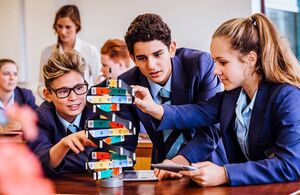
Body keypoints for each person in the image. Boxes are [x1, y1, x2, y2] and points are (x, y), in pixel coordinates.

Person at [132, 13, 300, 186]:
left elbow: (290, 165)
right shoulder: (233, 95)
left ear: (250, 59)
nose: (215, 71)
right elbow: (197, 112)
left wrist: (225, 174)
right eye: (214, 62)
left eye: (223, 62)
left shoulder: (288, 97)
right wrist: (153, 108)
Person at [117, 13, 225, 164]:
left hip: (207, 165)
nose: (151, 65)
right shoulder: (126, 83)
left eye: (157, 54)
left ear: (172, 49)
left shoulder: (200, 65)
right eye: (142, 58)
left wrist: (178, 163)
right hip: (162, 169)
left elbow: (211, 128)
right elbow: (124, 142)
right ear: (132, 58)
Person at [30, 51, 96, 177]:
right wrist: (63, 144)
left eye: (79, 88)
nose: (73, 97)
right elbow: (38, 163)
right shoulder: (41, 117)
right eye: (63, 91)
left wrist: (57, 161)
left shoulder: (97, 110)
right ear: (48, 95)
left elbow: (106, 156)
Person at [38, 4, 101, 98]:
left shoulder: (90, 51)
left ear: (77, 26)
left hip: (84, 105)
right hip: (56, 105)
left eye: (68, 27)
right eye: (60, 26)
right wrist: (50, 96)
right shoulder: (47, 52)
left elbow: (99, 82)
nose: (63, 32)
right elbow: (41, 84)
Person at [0, 59, 37, 131]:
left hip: (20, 140)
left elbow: (38, 117)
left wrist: (23, 125)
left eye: (15, 74)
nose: (12, 78)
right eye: (6, 73)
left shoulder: (26, 95)